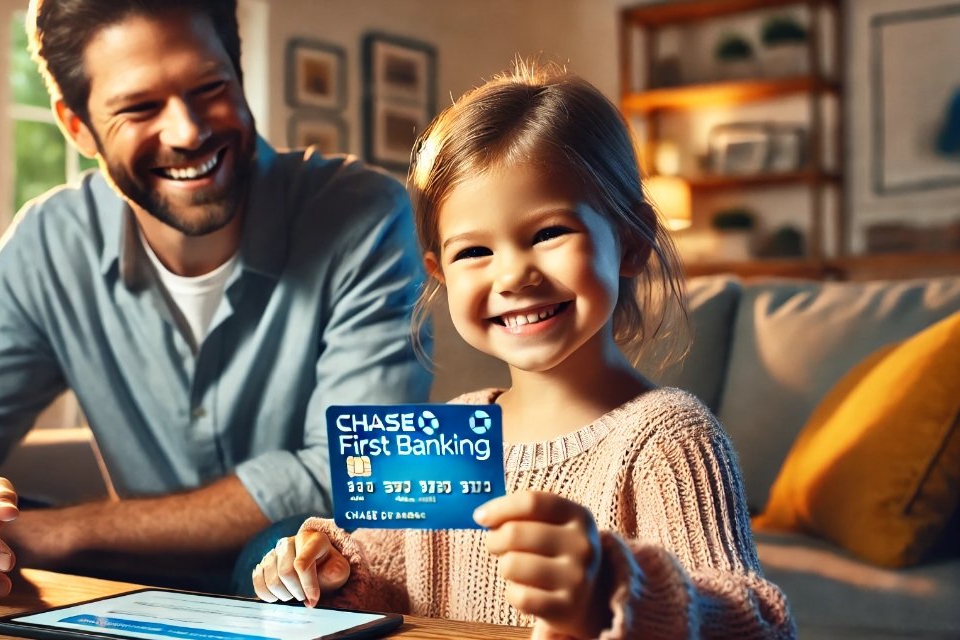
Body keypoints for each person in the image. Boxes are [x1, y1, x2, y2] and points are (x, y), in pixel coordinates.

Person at [0, 0, 430, 605]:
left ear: (238, 72)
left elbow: (355, 473)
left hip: (292, 559)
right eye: (140, 107)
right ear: (76, 126)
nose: (188, 131)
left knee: (301, 555)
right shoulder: (50, 241)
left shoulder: (366, 215)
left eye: (209, 87)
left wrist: (64, 530)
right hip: (132, 564)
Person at [252, 64, 795, 639]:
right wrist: (330, 573)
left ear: (631, 242)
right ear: (439, 273)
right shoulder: (444, 432)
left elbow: (761, 622)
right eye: (474, 252)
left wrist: (615, 591)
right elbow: (387, 583)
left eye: (548, 233)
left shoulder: (670, 438)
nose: (512, 274)